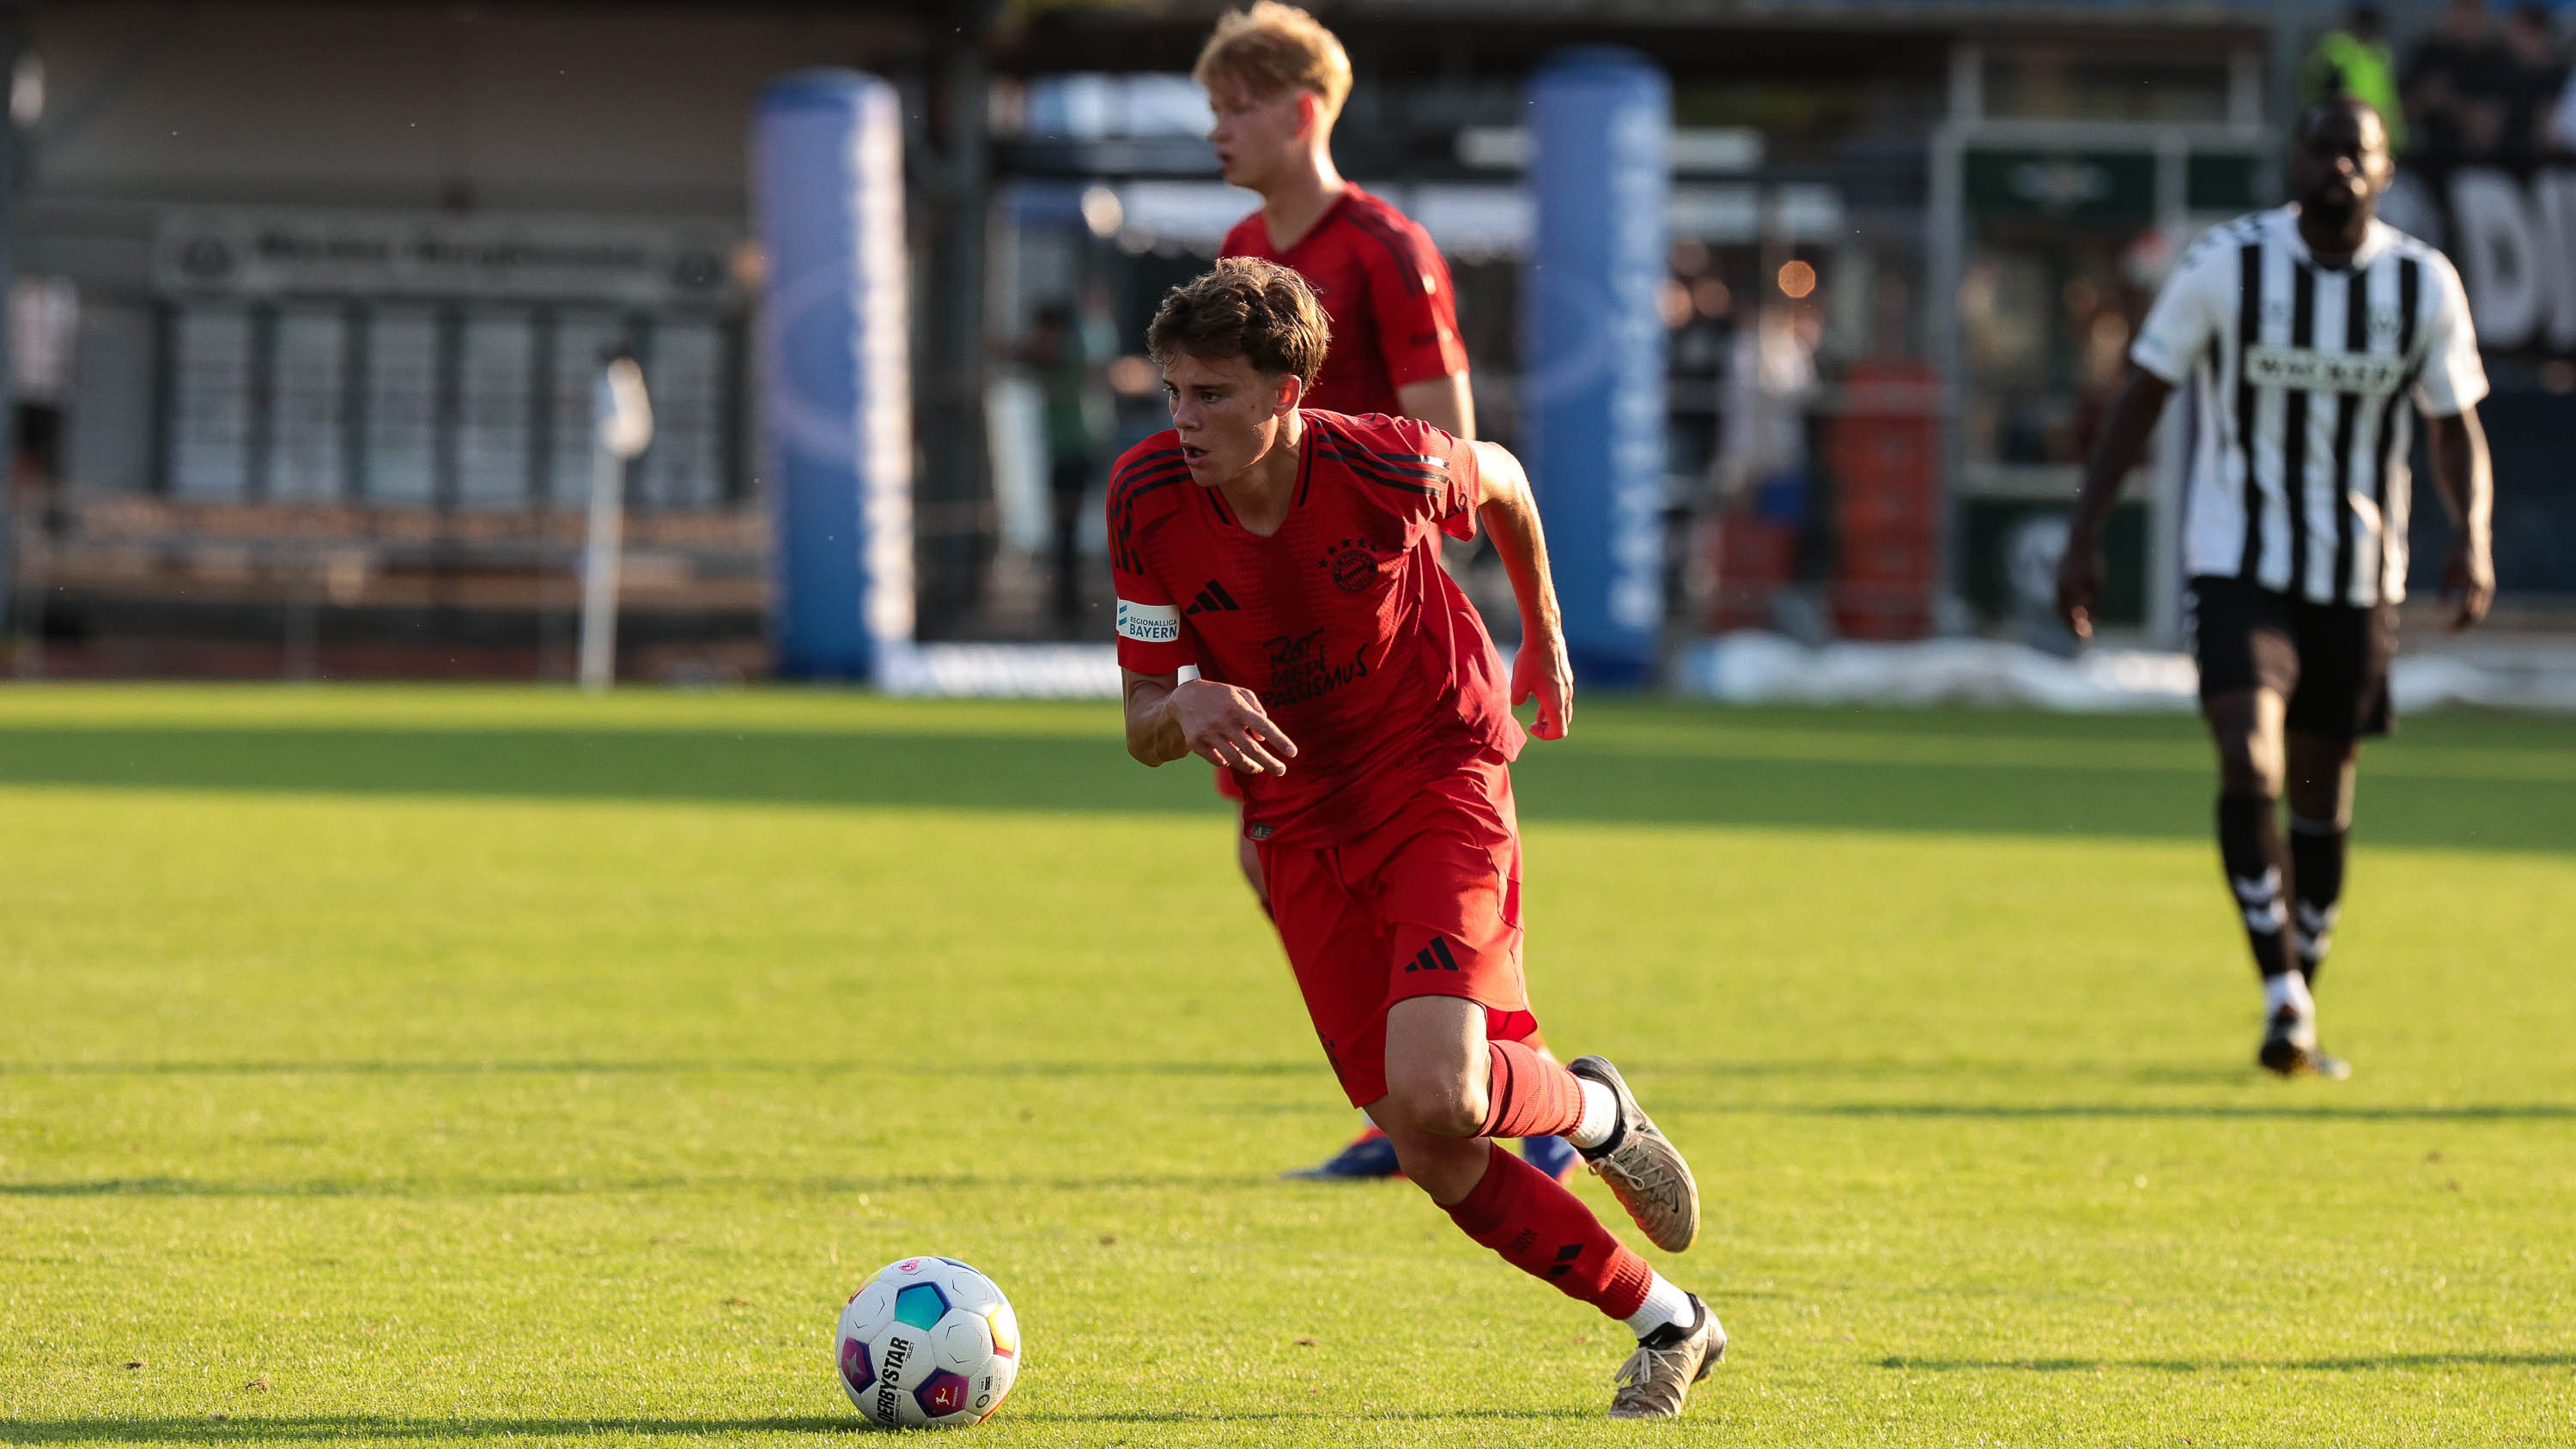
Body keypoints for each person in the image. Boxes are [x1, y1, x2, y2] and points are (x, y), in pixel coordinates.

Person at [1111, 258, 1722, 1417]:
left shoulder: (1385, 461)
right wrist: (1179, 712)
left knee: (1437, 1089)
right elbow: (1140, 722)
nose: (1185, 420)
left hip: (1437, 776)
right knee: (1431, 1147)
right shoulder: (1143, 497)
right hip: (1299, 823)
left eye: (1215, 395)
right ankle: (1669, 1320)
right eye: (1174, 392)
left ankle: (1593, 1110)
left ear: (1288, 395)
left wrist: (1541, 634)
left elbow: (1505, 483)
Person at [1190, 3, 1573, 1181]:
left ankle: (1511, 1102)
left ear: (1303, 112)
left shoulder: (1387, 250)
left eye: (1238, 106)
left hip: (1379, 625)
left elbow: (1449, 445)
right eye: (1213, 108)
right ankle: (1416, 1099)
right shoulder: (1243, 242)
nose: (1220, 128)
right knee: (1274, 860)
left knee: (1404, 858)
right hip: (1274, 622)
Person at [2056, 99, 2494, 1078]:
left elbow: (2455, 424)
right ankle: (2281, 992)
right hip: (2239, 561)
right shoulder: (2226, 266)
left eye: (2358, 151)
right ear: (2294, 161)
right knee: (2246, 753)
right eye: (2322, 147)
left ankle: (2300, 991)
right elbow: (2144, 394)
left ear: (2385, 171)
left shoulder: (2423, 283)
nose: (2338, 165)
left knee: (2320, 789)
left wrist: (2473, 537)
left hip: (2356, 574)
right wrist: (2086, 532)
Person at [2301, 5, 2407, 154]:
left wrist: (2396, 139)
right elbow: (2318, 87)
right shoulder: (2336, 49)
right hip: (2340, 132)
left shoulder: (2380, 55)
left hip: (2373, 135)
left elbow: (2388, 100)